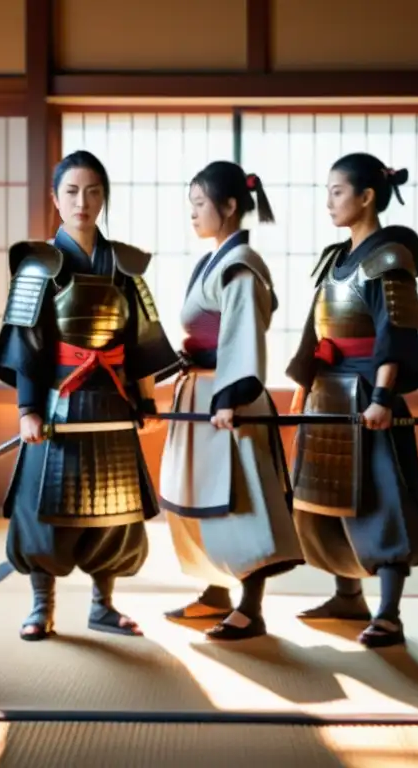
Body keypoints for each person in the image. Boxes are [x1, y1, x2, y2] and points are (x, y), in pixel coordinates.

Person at [0, 150, 178, 642]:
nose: (83, 201)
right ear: (56, 200)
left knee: (112, 507)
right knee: (41, 503)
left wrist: (147, 401)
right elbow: (26, 341)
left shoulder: (126, 265)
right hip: (57, 401)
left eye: (93, 192)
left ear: (104, 198)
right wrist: (27, 408)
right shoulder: (38, 266)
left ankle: (103, 605)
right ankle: (40, 605)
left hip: (111, 402)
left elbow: (141, 341)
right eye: (72, 192)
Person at [285, 153, 418, 649]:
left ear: (367, 197)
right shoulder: (334, 258)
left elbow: (396, 333)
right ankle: (348, 596)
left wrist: (384, 398)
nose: (328, 201)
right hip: (328, 392)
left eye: (337, 191)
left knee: (380, 501)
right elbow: (315, 331)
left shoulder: (388, 259)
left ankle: (390, 613)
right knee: (323, 500)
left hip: (368, 395)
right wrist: (302, 389)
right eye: (327, 191)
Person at [158, 161, 304, 641]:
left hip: (227, 401)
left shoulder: (241, 265)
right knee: (198, 500)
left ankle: (251, 607)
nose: (194, 214)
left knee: (242, 503)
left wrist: (232, 397)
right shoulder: (217, 258)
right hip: (202, 393)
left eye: (200, 204)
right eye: (192, 205)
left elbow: (242, 336)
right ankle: (214, 592)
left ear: (229, 206)